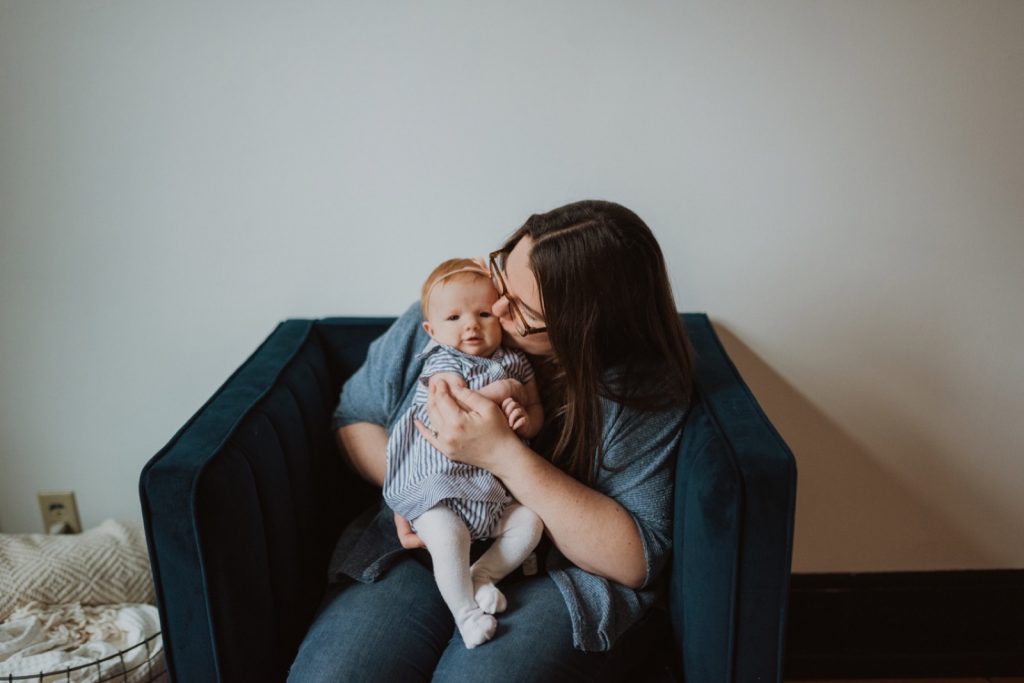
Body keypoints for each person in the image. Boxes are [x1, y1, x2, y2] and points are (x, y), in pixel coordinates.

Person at [289, 200, 695, 682]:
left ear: (586, 332)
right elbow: (354, 417)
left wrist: (502, 454)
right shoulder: (454, 312)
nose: (495, 312)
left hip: (555, 573)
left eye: (523, 310)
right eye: (504, 274)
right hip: (420, 547)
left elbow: (633, 560)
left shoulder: (636, 387)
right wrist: (412, 486)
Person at [383, 258, 544, 648]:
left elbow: (537, 411)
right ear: (432, 330)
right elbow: (458, 405)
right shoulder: (442, 360)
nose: (470, 325)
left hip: (493, 493)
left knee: (531, 523)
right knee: (446, 536)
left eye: (484, 313)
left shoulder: (516, 361)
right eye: (454, 317)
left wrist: (525, 421)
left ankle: (483, 576)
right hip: (442, 488)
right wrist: (505, 391)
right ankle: (467, 614)